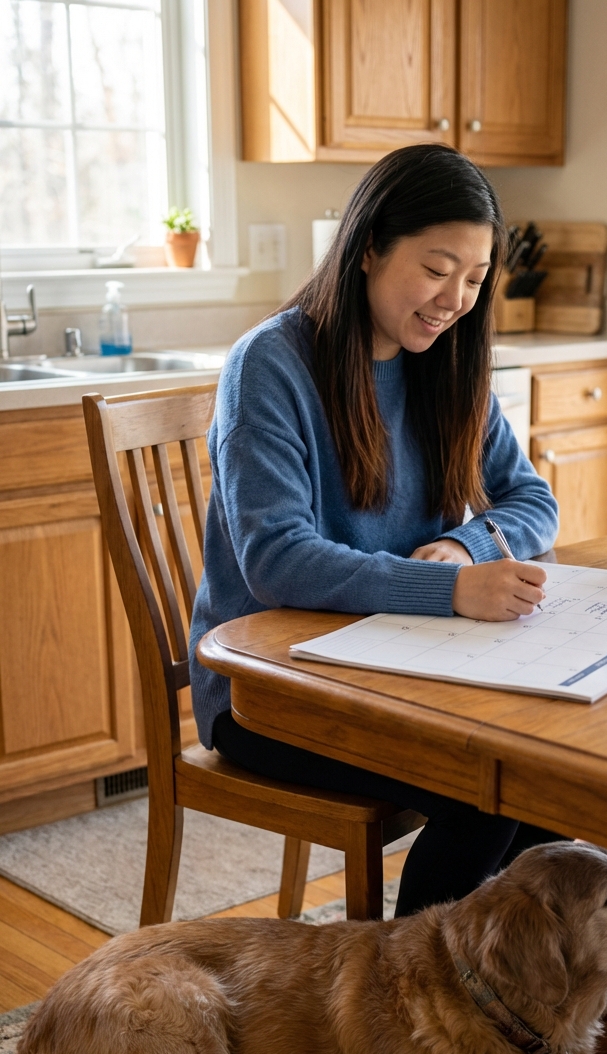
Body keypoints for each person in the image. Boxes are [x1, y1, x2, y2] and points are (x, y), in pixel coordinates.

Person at [189, 144, 560, 916]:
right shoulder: (272, 364)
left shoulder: (450, 363)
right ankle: (409, 1007)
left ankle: (517, 1000)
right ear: (367, 250)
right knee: (489, 792)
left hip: (397, 665)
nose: (455, 297)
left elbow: (533, 501)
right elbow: (277, 562)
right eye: (436, 268)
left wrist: (467, 546)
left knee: (548, 779)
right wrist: (449, 589)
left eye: (474, 278)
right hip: (268, 688)